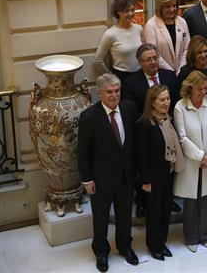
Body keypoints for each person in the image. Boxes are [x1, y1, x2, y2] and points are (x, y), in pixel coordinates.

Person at [78, 74, 139, 272]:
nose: (114, 95)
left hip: (126, 177)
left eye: (117, 91)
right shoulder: (89, 117)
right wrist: (87, 179)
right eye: (109, 92)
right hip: (101, 178)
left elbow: (134, 144)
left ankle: (125, 247)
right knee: (101, 218)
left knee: (124, 216)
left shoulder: (129, 109)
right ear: (100, 93)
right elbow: (83, 152)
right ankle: (101, 252)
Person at [122, 44, 178, 218]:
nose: (153, 62)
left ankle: (169, 200)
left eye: (155, 58)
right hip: (145, 132)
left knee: (167, 167)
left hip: (168, 129)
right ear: (140, 62)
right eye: (148, 59)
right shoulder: (131, 82)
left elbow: (174, 102)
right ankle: (141, 203)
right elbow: (132, 111)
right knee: (145, 169)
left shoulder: (169, 76)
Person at [173, 71, 207, 253]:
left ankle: (204, 235)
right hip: (192, 162)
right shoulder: (180, 106)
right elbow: (182, 137)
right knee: (191, 201)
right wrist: (201, 156)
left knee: (206, 199)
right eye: (200, 89)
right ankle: (191, 237)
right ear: (190, 88)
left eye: (205, 88)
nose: (204, 92)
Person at [135, 85, 184, 261]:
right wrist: (145, 180)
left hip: (168, 172)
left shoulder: (167, 119)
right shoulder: (145, 124)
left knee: (165, 210)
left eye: (168, 98)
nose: (166, 103)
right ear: (152, 102)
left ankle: (162, 242)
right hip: (152, 177)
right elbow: (141, 156)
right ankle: (153, 245)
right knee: (154, 212)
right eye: (161, 100)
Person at [94, 0, 142, 83]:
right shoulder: (111, 34)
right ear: (119, 12)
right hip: (122, 78)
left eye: (132, 10)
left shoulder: (138, 28)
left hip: (140, 75)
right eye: (127, 11)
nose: (131, 14)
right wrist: (111, 78)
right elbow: (97, 60)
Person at [144, 0, 190, 74]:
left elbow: (187, 48)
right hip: (162, 72)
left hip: (182, 71)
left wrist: (180, 69)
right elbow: (153, 54)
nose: (172, 9)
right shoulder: (151, 25)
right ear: (160, 7)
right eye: (168, 6)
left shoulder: (182, 22)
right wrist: (171, 72)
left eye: (174, 5)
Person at [177, 35, 207, 101]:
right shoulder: (185, 71)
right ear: (193, 54)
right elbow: (180, 94)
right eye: (199, 52)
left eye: (205, 51)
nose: (203, 55)